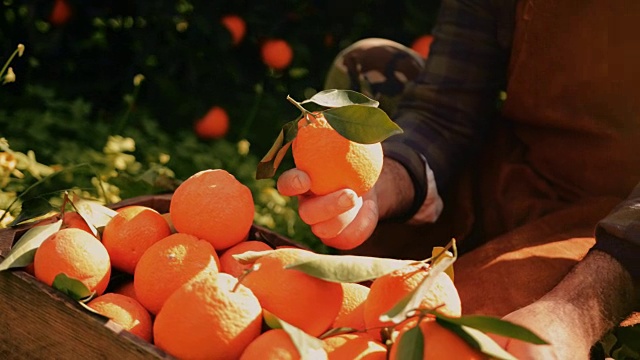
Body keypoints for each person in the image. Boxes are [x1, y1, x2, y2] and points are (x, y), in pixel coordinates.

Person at [276, 0, 640, 358]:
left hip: (618, 217)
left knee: (454, 337)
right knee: (369, 64)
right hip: (513, 169)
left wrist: (577, 311)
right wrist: (386, 181)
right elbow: (445, 109)